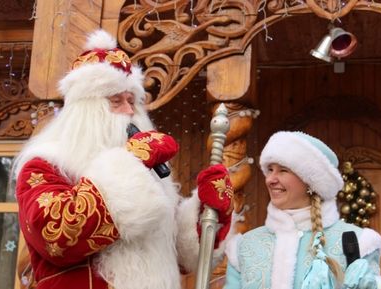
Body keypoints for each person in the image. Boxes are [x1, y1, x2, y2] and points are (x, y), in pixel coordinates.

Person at [12, 30, 234, 289]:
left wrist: (203, 214)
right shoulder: (45, 165)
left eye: (132, 101)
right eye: (116, 101)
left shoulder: (144, 172)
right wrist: (131, 162)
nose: (129, 111)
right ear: (87, 110)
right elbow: (58, 238)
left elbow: (178, 258)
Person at [224, 131, 381, 289]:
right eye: (270, 170)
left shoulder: (356, 242)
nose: (270, 180)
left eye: (283, 170)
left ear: (311, 181)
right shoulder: (244, 246)